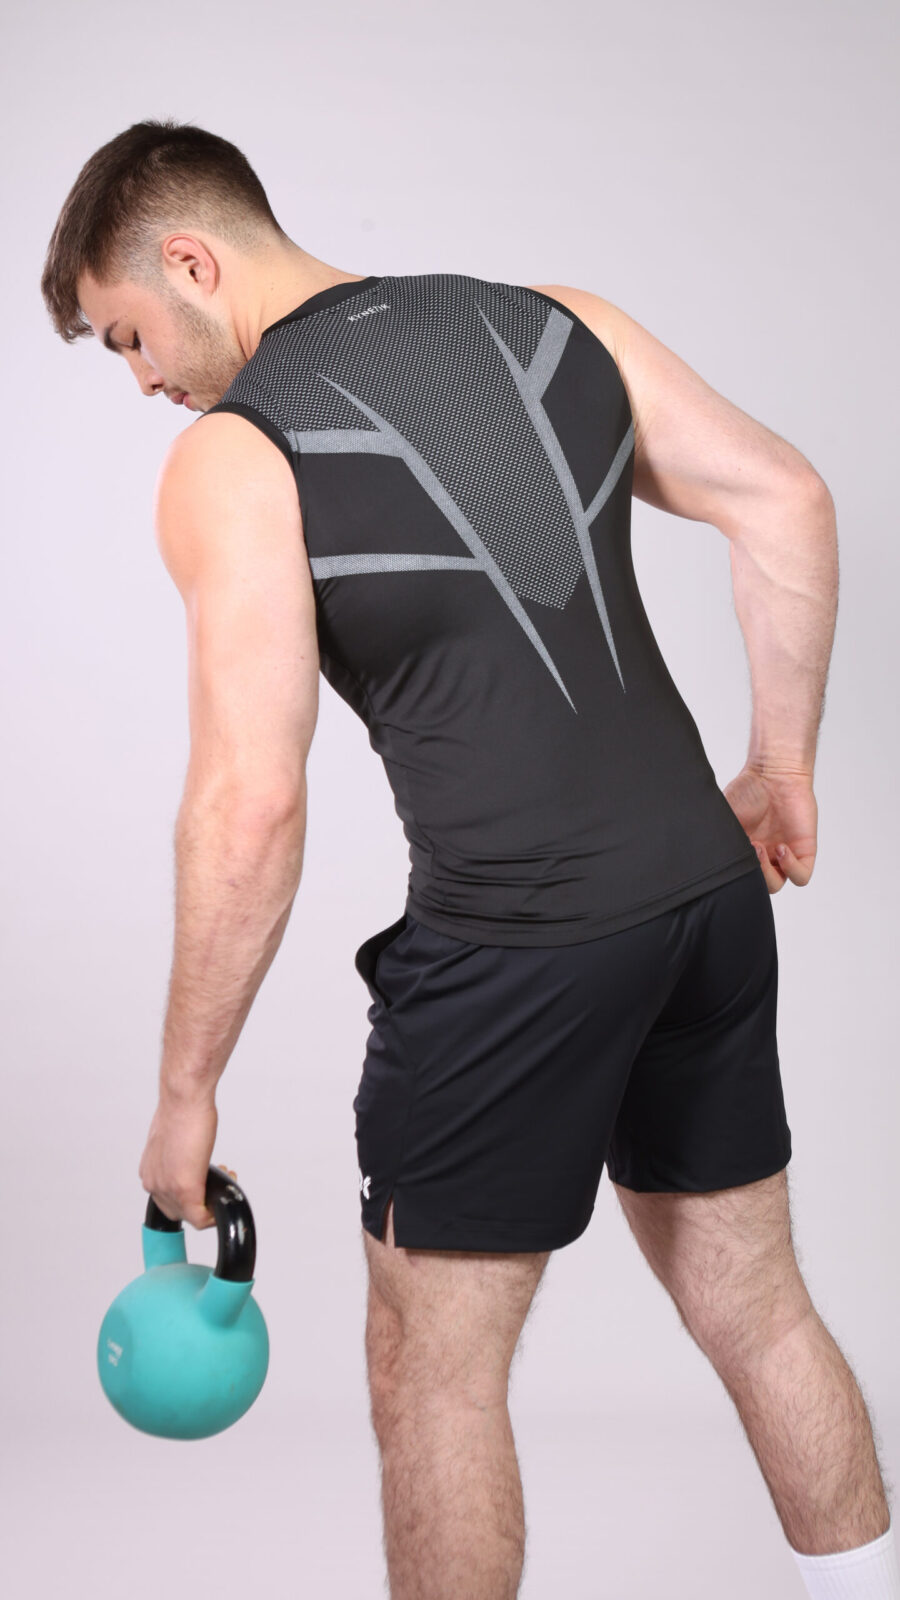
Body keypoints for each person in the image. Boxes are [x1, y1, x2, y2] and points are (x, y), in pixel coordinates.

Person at [42, 118, 897, 1600]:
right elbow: (786, 499)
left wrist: (185, 1098)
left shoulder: (237, 458)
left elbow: (249, 807)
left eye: (129, 337)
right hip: (704, 900)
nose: (144, 382)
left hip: (515, 950)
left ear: (190, 261)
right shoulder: (558, 324)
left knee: (432, 1373)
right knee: (759, 1308)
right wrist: (782, 768)